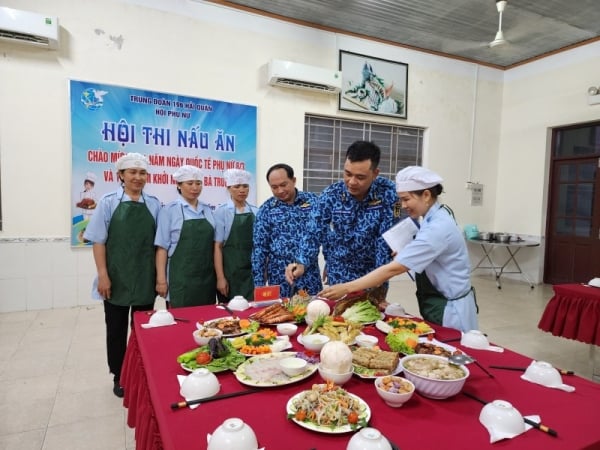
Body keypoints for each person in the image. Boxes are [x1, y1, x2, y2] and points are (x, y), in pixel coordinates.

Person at [318, 166, 479, 332]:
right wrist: (406, 254)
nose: (402, 206)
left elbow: (393, 270)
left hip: (450, 308)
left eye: (406, 199)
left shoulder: (437, 228)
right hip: (436, 298)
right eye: (401, 200)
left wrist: (346, 287)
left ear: (426, 195)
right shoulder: (434, 217)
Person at [83, 152, 161, 398]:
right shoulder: (108, 202)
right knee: (116, 330)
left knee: (141, 329)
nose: (138, 178)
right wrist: (103, 275)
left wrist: (159, 277)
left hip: (144, 276)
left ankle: (141, 371)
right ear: (121, 176)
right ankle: (119, 375)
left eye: (142, 173)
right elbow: (98, 241)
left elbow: (159, 245)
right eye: (132, 173)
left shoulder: (154, 204)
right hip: (115, 278)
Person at [285, 141, 398, 297]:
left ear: (375, 173)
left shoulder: (390, 194)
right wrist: (301, 262)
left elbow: (386, 238)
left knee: (369, 317)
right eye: (347, 173)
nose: (351, 182)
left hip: (372, 273)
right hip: (339, 271)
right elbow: (313, 230)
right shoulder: (331, 194)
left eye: (360, 177)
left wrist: (379, 284)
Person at [252, 163, 322, 298]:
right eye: (274, 187)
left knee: (313, 314)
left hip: (309, 274)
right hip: (279, 277)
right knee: (281, 315)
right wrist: (259, 284)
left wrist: (330, 266)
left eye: (284, 185)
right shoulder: (266, 209)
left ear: (294, 180)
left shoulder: (313, 202)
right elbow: (259, 249)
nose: (279, 190)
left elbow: (325, 235)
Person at [155, 165, 216, 307]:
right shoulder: (169, 210)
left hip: (206, 279)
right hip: (180, 279)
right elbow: (162, 248)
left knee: (206, 324)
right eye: (190, 183)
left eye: (198, 183)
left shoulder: (207, 210)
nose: (195, 188)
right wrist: (161, 280)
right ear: (179, 185)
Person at [214, 168, 258, 302]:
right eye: (237, 186)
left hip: (251, 273)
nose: (242, 190)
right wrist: (221, 278)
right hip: (229, 272)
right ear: (228, 188)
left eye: (245, 186)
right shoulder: (221, 212)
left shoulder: (256, 211)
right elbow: (218, 247)